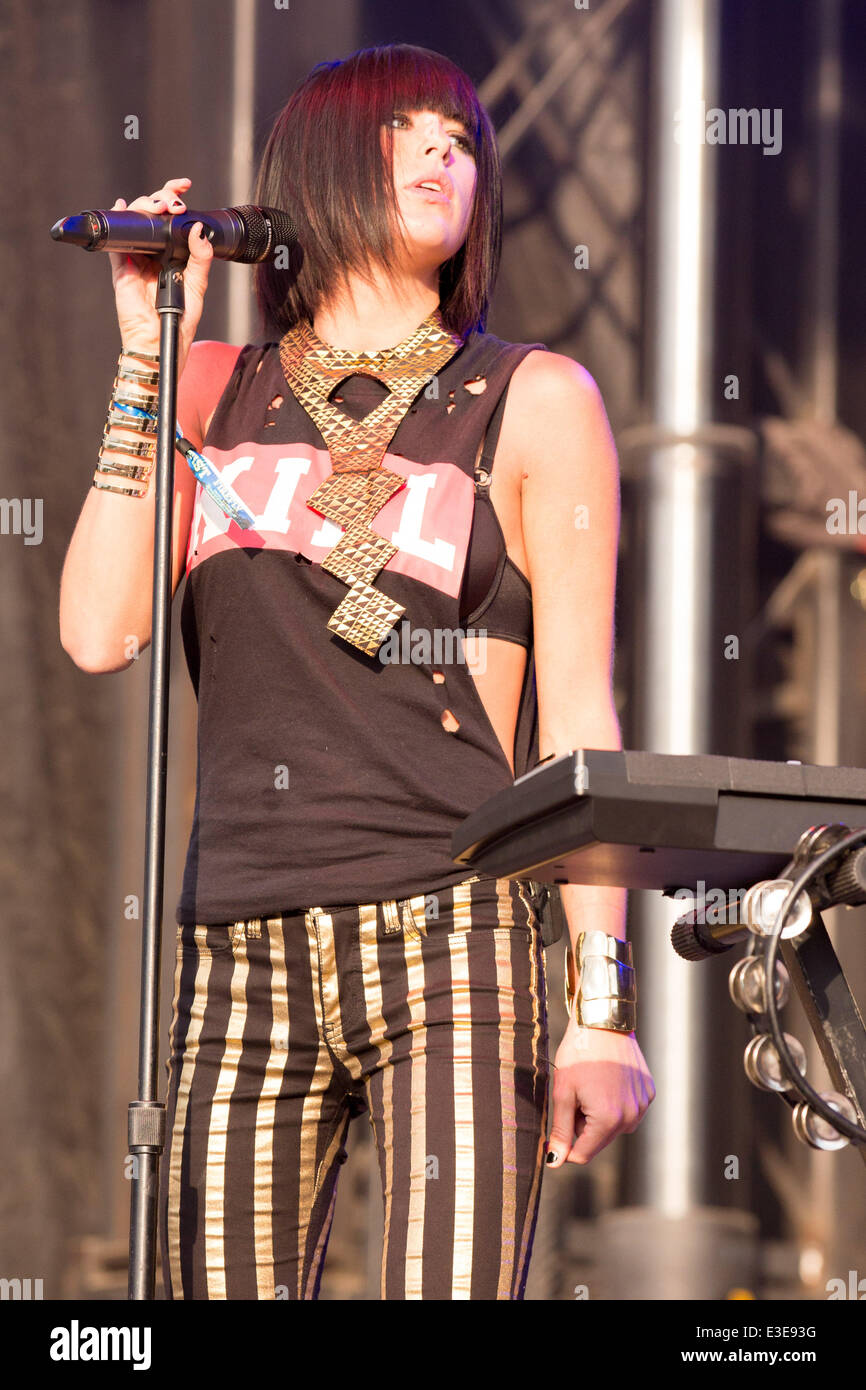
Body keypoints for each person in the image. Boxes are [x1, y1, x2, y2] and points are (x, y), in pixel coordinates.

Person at [59, 42, 654, 1301]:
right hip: (237, 941)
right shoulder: (210, 386)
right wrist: (140, 352)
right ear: (321, 158)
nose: (450, 150)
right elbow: (98, 632)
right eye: (411, 128)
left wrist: (598, 1005)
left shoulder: (532, 398)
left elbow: (580, 718)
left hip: (453, 933)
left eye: (463, 137)